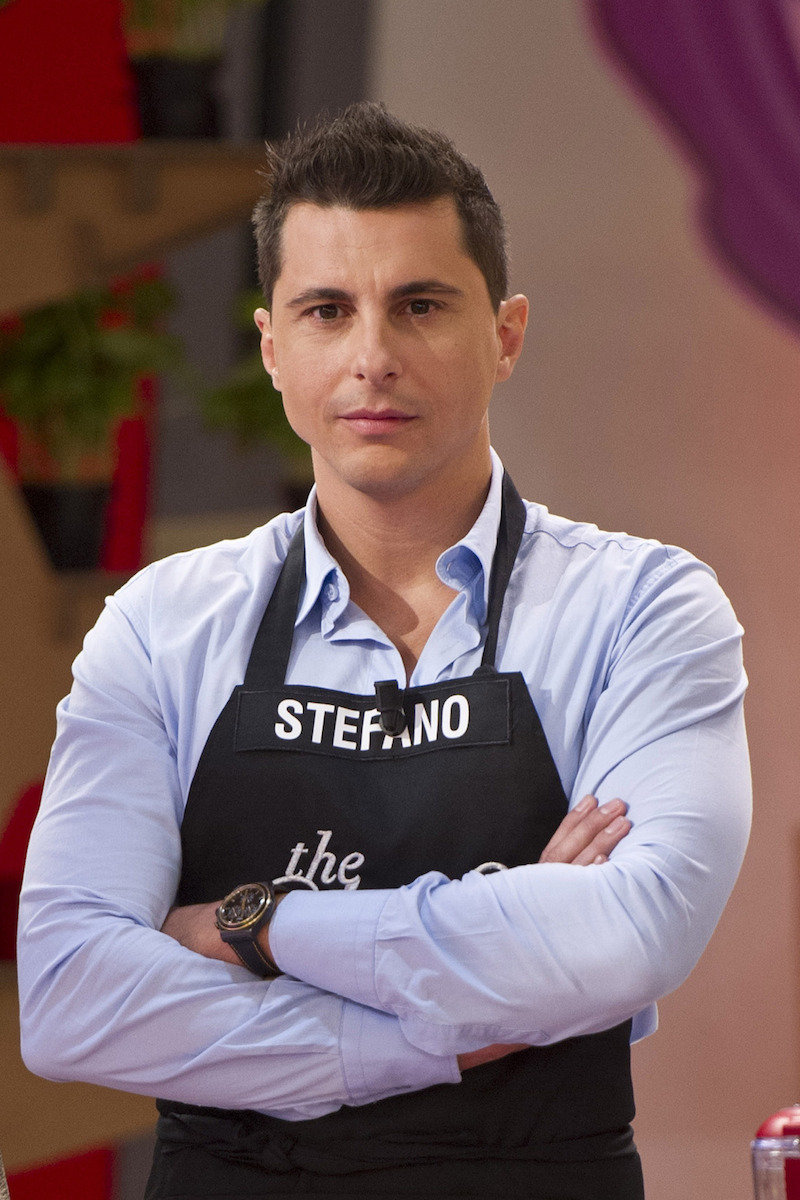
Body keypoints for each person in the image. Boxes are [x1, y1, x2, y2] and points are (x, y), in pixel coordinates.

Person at [17, 103, 751, 1200]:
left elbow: (629, 936)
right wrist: (433, 1033)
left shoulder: (642, 608)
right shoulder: (161, 625)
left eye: (419, 306)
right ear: (272, 349)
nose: (373, 358)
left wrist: (255, 924)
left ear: (504, 334)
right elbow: (73, 1000)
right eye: (327, 310)